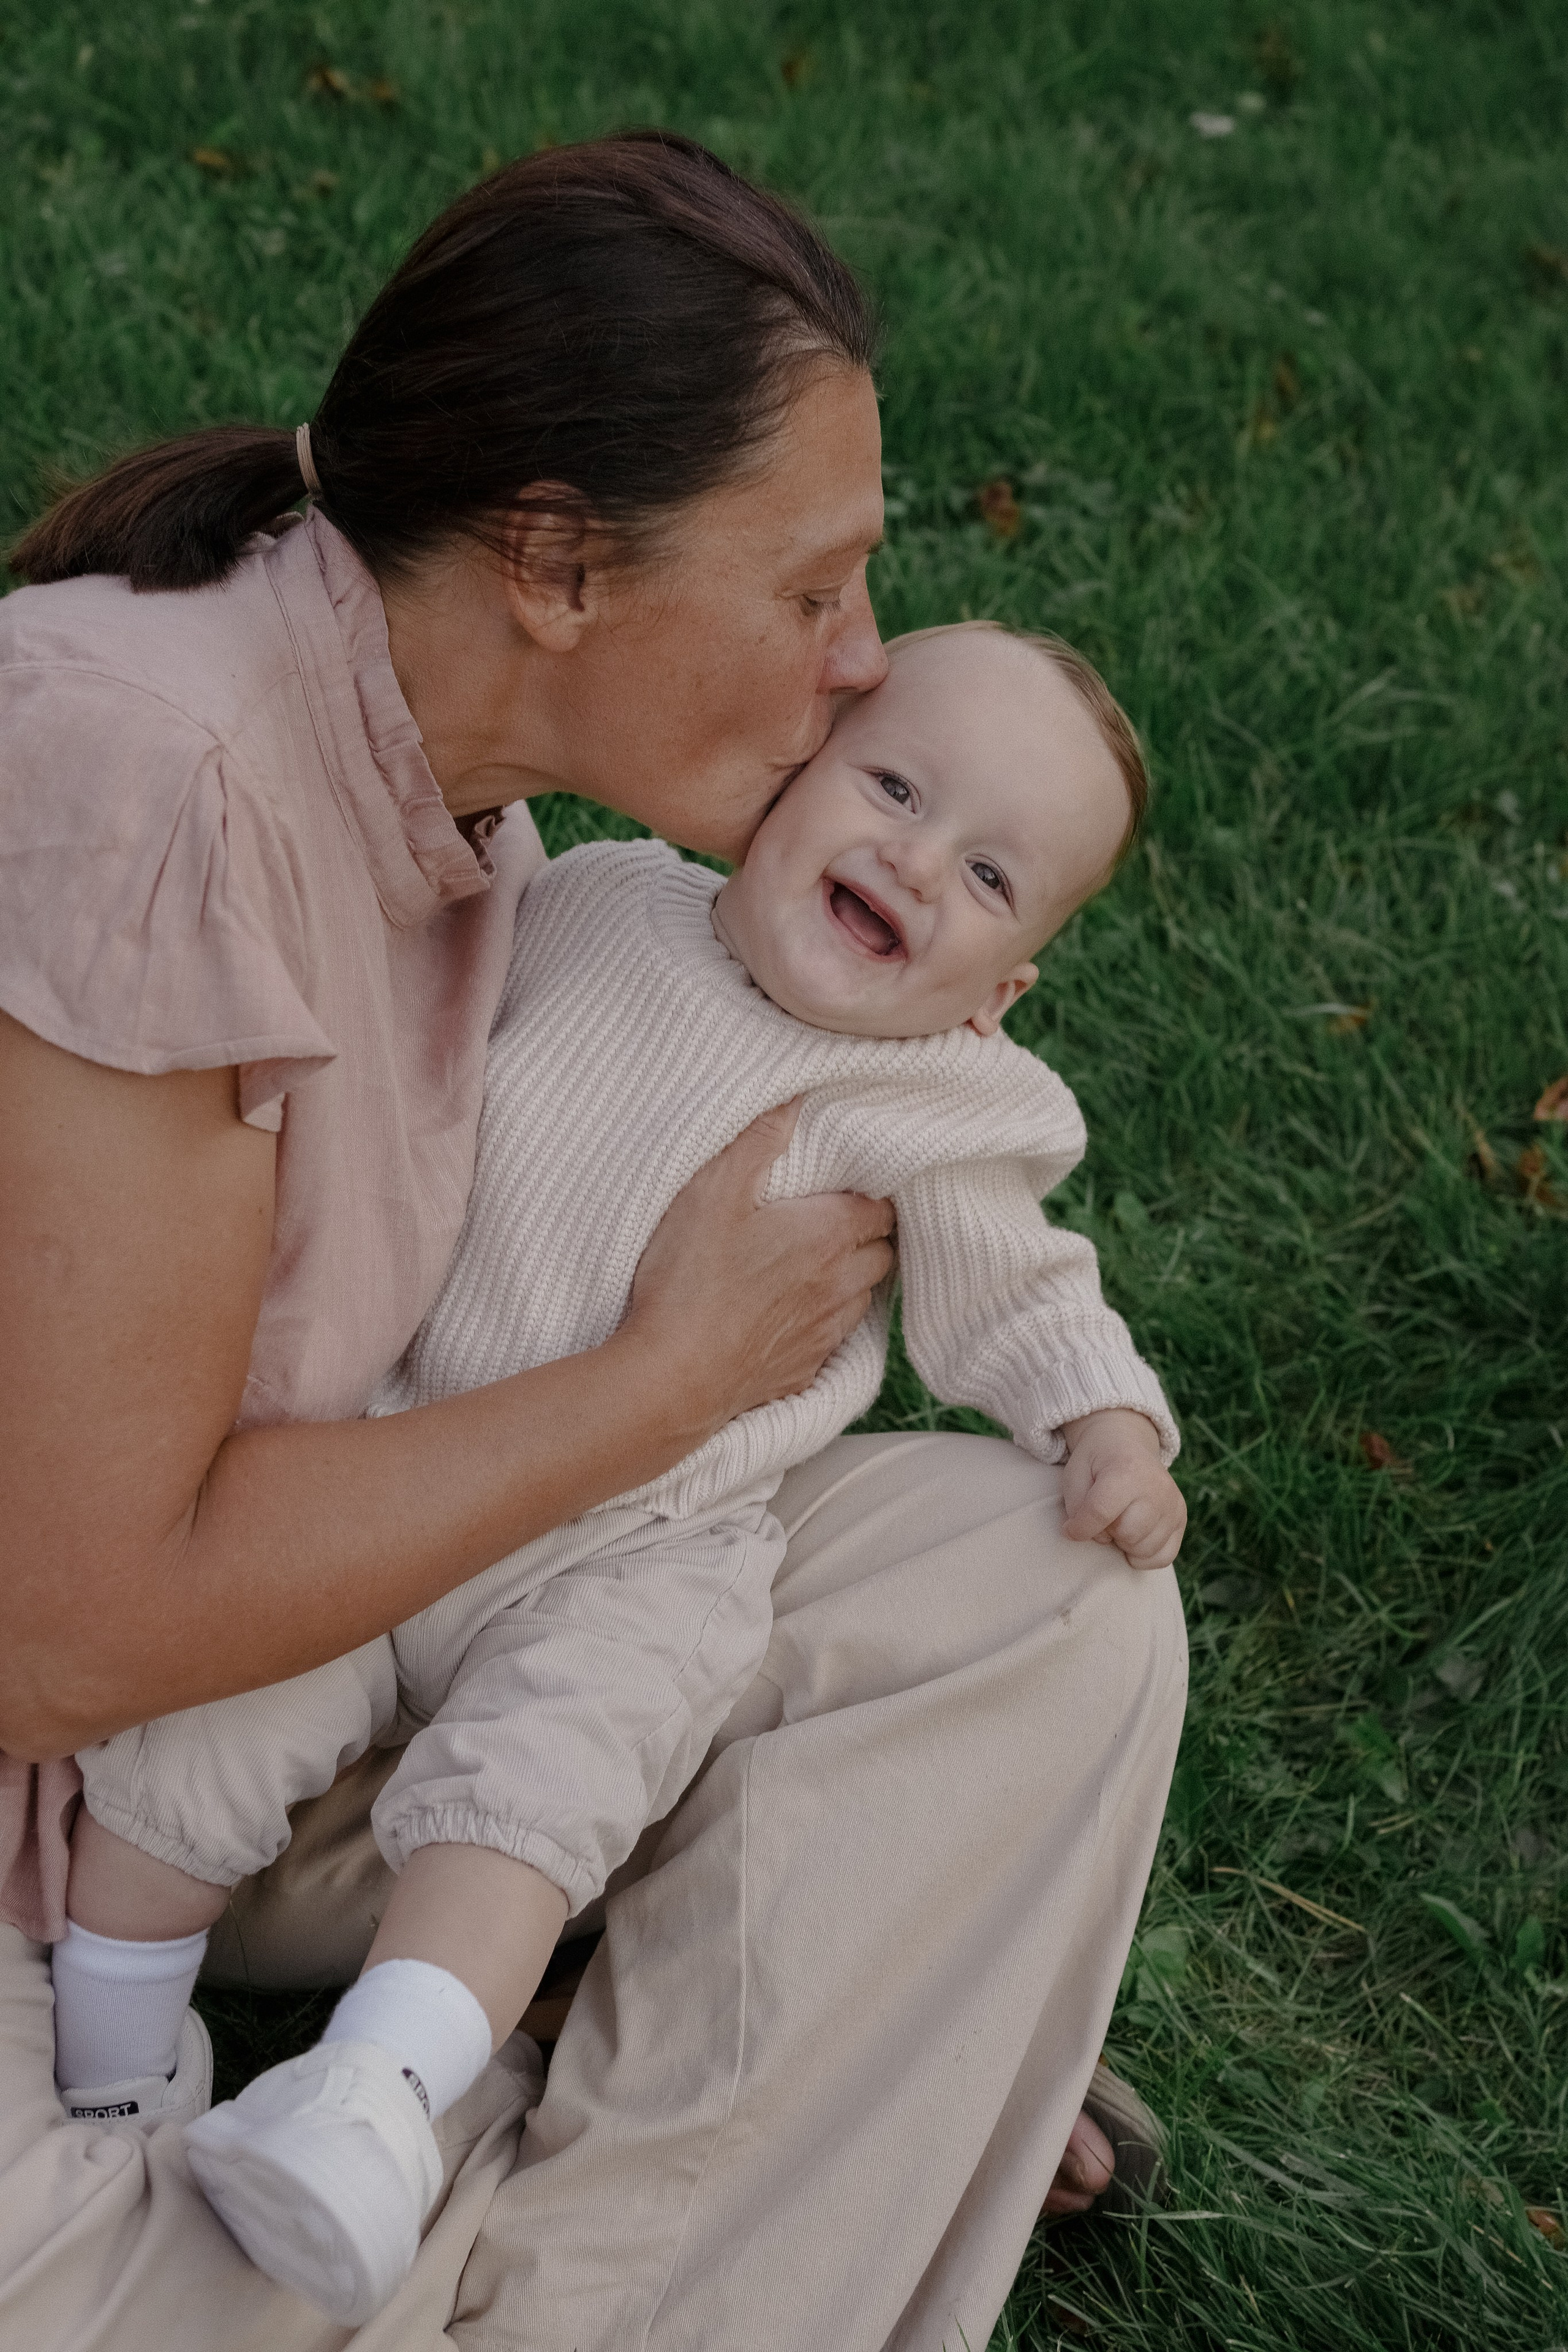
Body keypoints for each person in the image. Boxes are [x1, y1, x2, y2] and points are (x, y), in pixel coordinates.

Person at [0, 131, 1187, 2352]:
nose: (859, 678)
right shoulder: (145, 776)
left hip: (347, 1672)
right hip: (90, 1746)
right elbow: (64, 1640)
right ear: (556, 558)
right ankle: (686, 2121)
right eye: (815, 591)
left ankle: (535, 2087)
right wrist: (662, 1380)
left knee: (1045, 1601)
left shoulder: (490, 828)